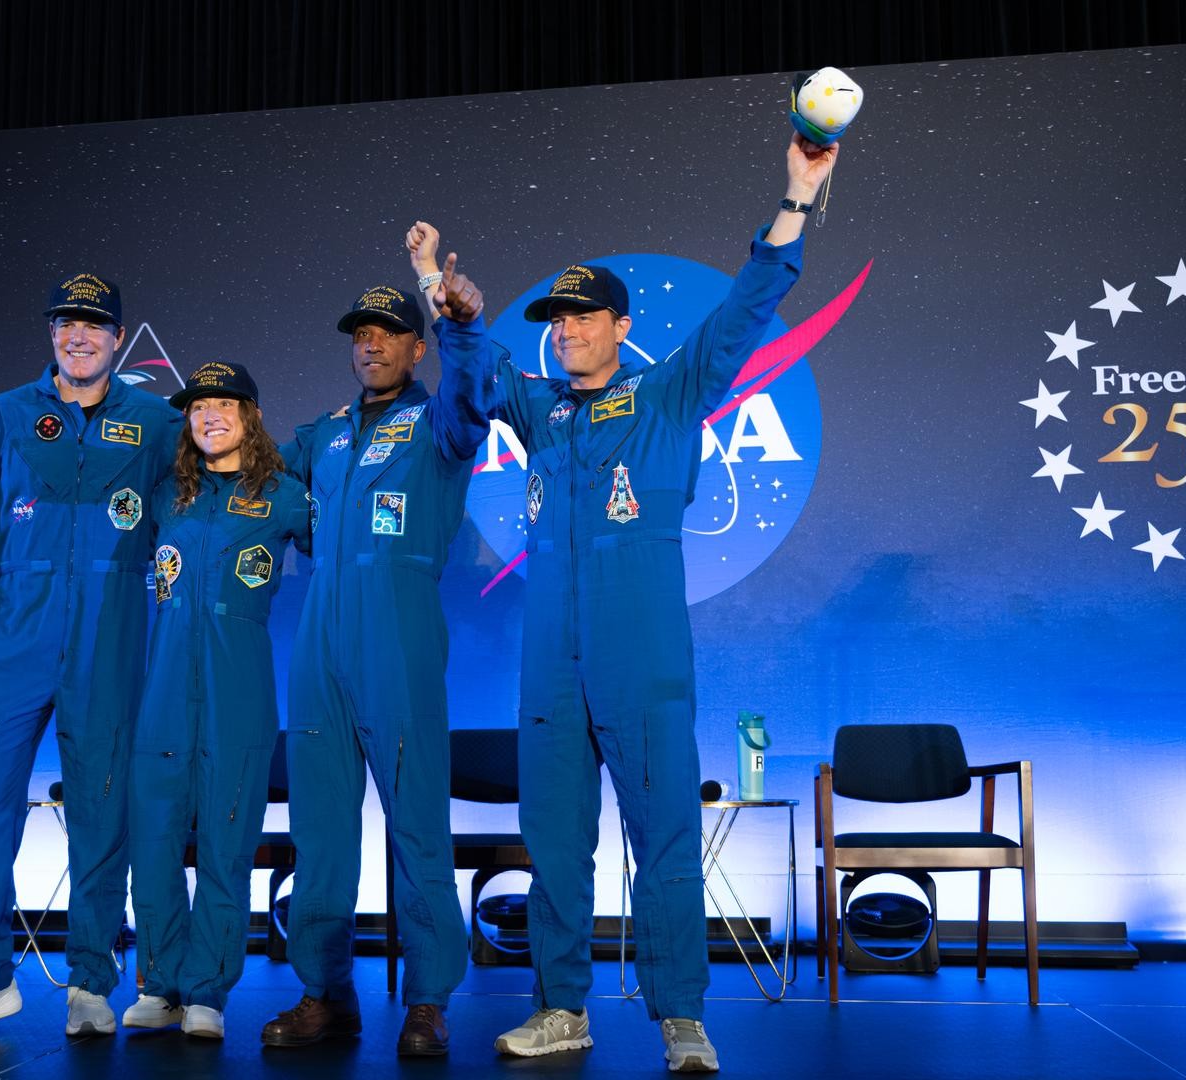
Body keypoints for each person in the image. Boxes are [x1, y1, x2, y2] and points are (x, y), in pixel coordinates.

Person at [455, 133, 843, 1072]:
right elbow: (480, 380)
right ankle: (563, 1010)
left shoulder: (668, 397)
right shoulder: (540, 408)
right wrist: (455, 311)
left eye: (584, 317)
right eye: (556, 319)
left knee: (664, 838)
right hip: (552, 661)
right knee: (554, 843)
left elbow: (747, 310)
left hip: (644, 659)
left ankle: (680, 1018)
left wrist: (794, 200)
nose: (566, 330)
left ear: (621, 326)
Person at [0, 273, 181, 1036]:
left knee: (101, 809)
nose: (78, 336)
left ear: (116, 338)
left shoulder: (155, 420)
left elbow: (182, 527)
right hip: (16, 630)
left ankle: (91, 983)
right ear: (52, 334)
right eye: (66, 323)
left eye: (94, 325)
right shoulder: (6, 414)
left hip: (112, 624)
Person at [261, 251, 492, 1057]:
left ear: (415, 346)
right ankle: (325, 993)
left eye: (389, 333)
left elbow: (471, 396)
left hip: (397, 634)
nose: (371, 345)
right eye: (361, 334)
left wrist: (454, 318)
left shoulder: (439, 424)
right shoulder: (320, 433)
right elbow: (255, 482)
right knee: (320, 829)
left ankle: (428, 1001)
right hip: (321, 637)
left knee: (417, 826)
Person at [120, 362, 310, 1040]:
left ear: (250, 415)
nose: (209, 416)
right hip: (165, 689)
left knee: (228, 843)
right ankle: (162, 981)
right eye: (198, 407)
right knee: (157, 840)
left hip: (239, 689)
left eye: (224, 404)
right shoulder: (167, 494)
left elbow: (339, 559)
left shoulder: (283, 496)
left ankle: (208, 989)